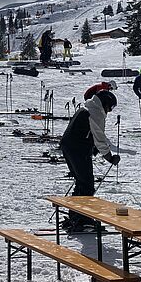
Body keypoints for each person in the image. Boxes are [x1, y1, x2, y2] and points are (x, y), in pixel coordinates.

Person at [59, 90, 120, 231]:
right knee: (87, 185)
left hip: (69, 147)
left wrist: (92, 148)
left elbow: (86, 132)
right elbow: (99, 138)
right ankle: (82, 219)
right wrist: (109, 157)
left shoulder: (86, 108)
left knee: (81, 182)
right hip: (77, 149)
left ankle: (75, 215)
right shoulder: (96, 113)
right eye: (110, 107)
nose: (110, 111)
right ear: (105, 104)